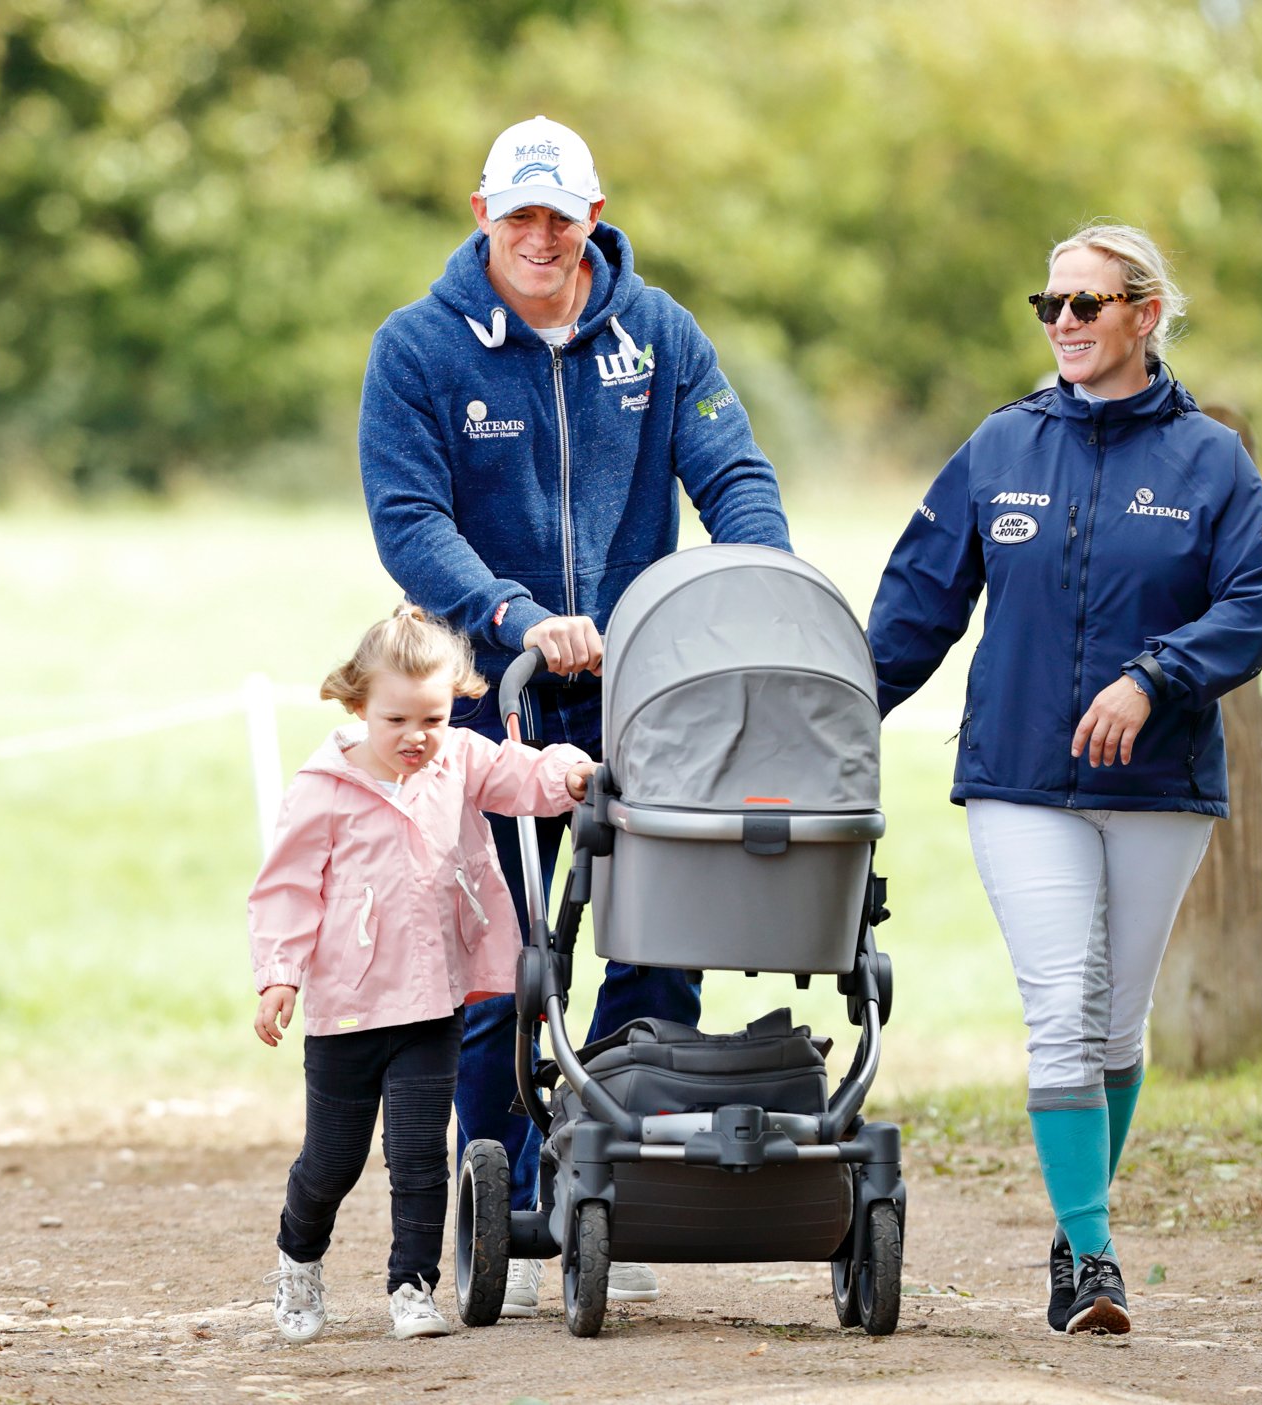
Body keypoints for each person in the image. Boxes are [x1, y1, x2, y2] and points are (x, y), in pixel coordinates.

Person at [357, 115, 791, 1312]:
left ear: (593, 215)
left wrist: (762, 584)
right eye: (518, 218)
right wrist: (509, 613)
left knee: (659, 937)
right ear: (482, 216)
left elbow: (733, 476)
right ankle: (496, 1194)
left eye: (560, 216)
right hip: (489, 698)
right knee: (500, 960)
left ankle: (613, 1180)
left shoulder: (657, 335)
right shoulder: (419, 350)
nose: (539, 239)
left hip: (644, 696)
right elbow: (408, 518)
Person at [866, 223, 1262, 1336]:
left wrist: (1155, 678)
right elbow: (914, 608)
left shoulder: (1211, 460)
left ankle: (1075, 1220)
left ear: (1141, 316)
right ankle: (1093, 1263)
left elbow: (1253, 600)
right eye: (1047, 304)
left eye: (1084, 305)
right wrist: (831, 712)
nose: (1061, 322)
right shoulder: (999, 447)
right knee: (1059, 1008)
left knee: (1113, 1025)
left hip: (1158, 785)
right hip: (1015, 777)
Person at [248, 605, 596, 1343]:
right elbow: (286, 888)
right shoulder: (324, 787)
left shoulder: (458, 758)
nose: (417, 737)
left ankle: (413, 1287)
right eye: (397, 719)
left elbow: (519, 774)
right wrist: (279, 973)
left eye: (433, 717)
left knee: (419, 1157)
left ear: (455, 704)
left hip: (432, 1002)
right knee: (332, 1160)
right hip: (346, 1010)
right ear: (358, 705)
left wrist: (569, 772)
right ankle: (299, 1260)